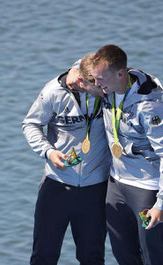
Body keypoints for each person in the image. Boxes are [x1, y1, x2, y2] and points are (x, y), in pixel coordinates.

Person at [22, 53, 109, 265]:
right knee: (43, 256)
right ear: (81, 80)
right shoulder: (52, 91)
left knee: (92, 257)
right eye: (97, 85)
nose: (103, 89)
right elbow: (30, 124)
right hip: (57, 185)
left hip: (96, 187)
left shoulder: (105, 85)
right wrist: (48, 151)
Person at [91, 44, 163, 265]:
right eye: (94, 78)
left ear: (121, 73)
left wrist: (160, 204)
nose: (95, 85)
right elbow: (81, 70)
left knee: (153, 256)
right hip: (116, 184)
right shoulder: (108, 86)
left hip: (146, 188)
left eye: (100, 79)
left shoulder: (150, 106)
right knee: (123, 254)